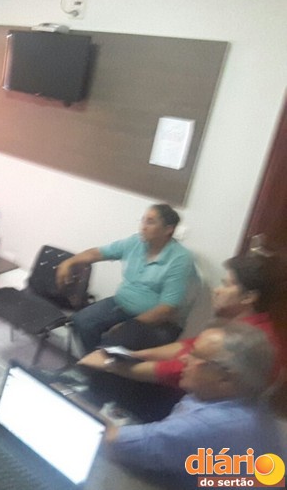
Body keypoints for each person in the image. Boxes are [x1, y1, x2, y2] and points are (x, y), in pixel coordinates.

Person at [105, 323, 285, 489]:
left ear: (226, 378)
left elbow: (110, 442)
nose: (184, 358)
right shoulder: (249, 402)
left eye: (196, 355)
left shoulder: (208, 426)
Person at [79, 253, 284, 388]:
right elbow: (188, 346)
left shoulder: (244, 341)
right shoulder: (241, 324)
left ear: (248, 297)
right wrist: (135, 355)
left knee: (109, 378)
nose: (217, 290)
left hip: (193, 398)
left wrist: (110, 365)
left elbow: (174, 371)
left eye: (227, 285)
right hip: (193, 386)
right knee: (124, 345)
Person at [57, 204, 194, 353]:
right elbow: (97, 253)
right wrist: (69, 262)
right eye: (143, 220)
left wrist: (129, 325)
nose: (143, 227)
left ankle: (107, 363)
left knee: (113, 342)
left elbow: (167, 309)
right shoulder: (135, 242)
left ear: (168, 229)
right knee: (81, 321)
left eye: (150, 222)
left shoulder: (180, 259)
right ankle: (93, 361)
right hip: (121, 303)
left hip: (158, 321)